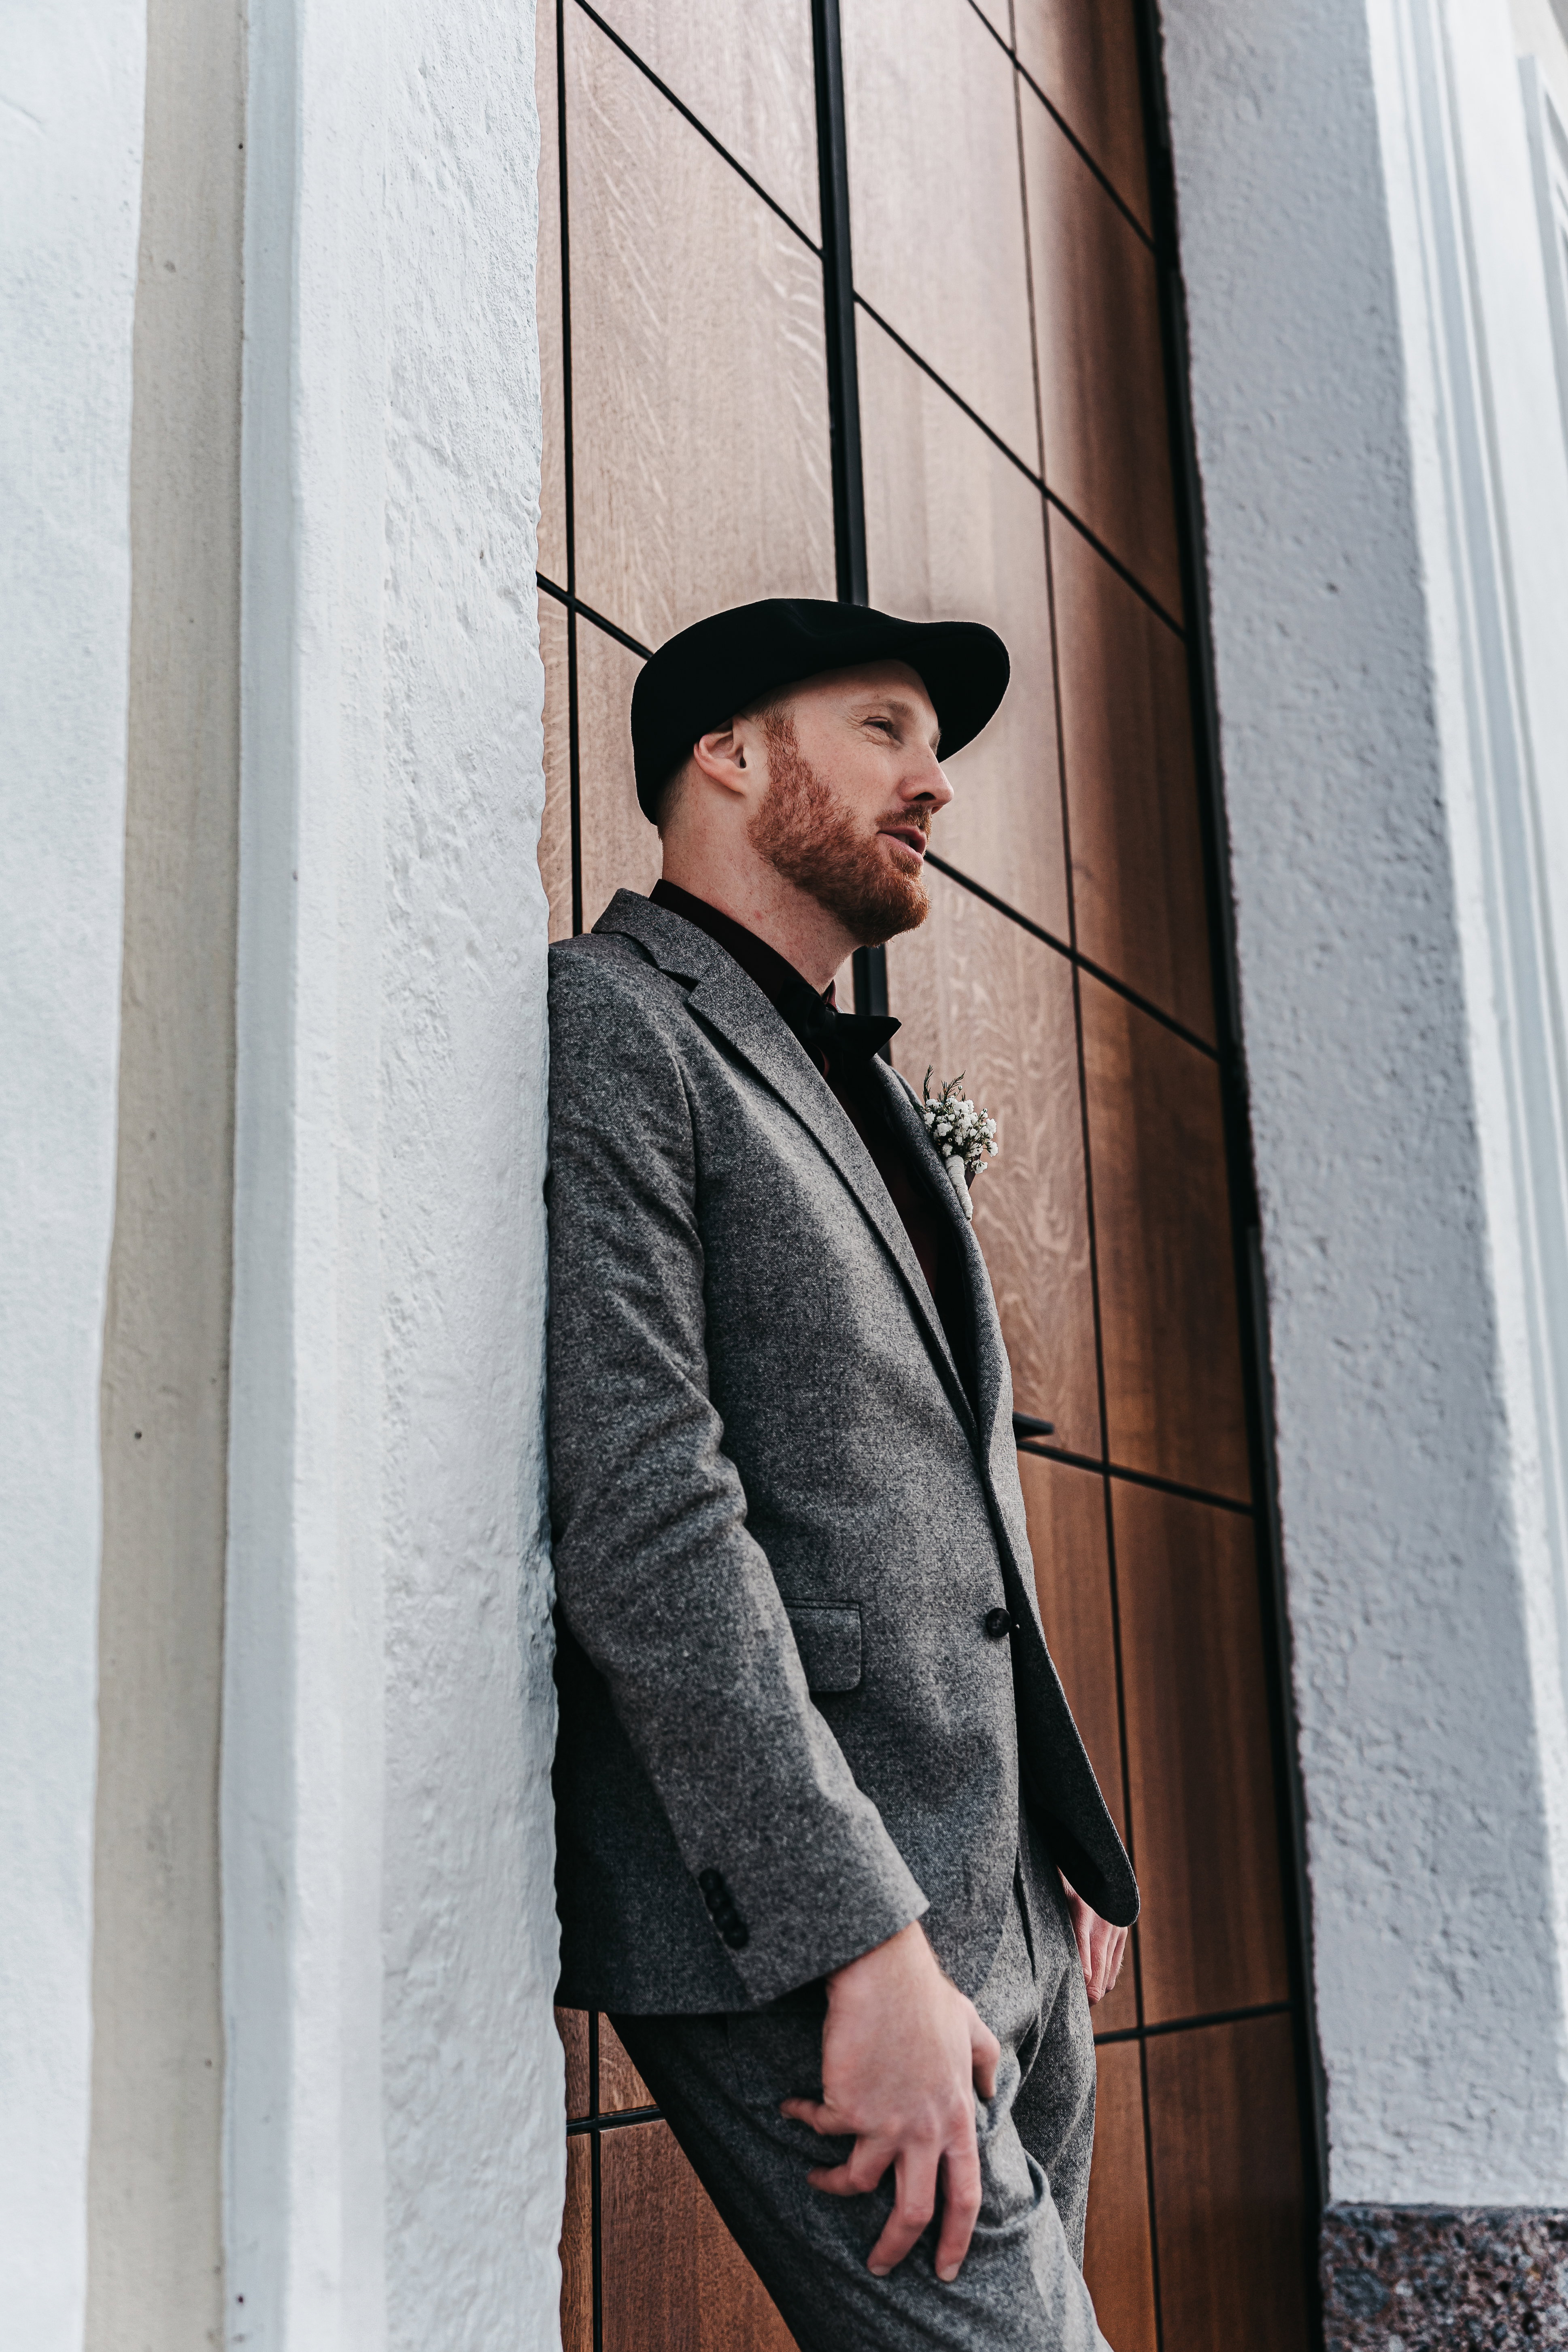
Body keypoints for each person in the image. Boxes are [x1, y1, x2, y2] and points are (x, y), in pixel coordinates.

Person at [546, 597, 1137, 2350]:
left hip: (1011, 1906)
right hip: (819, 1930)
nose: (933, 782)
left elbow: (936, 1492)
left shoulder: (860, 1091)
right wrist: (861, 1945)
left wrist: (1055, 1827)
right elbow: (650, 1513)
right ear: (729, 752)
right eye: (883, 730)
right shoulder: (615, 1024)